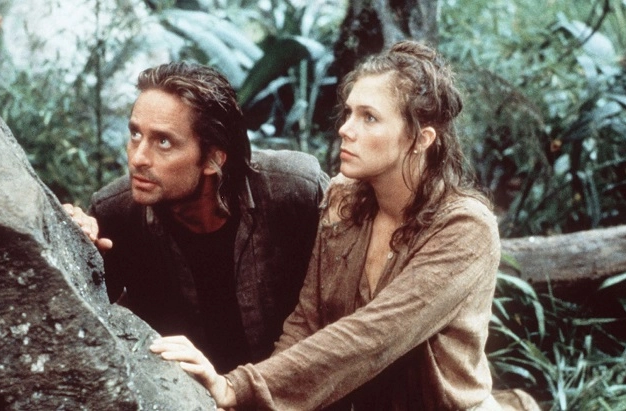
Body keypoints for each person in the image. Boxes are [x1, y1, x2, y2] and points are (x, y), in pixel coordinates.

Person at [149, 41, 541, 410]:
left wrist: (239, 386)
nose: (346, 129)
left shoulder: (465, 226)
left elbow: (377, 334)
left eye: (369, 117)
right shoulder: (344, 200)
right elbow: (307, 321)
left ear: (421, 139)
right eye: (349, 112)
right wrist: (256, 399)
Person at [64, 61, 329, 374]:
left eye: (163, 142)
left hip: (298, 385)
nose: (138, 158)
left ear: (213, 159)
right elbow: (74, 330)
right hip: (185, 393)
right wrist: (71, 248)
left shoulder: (295, 191)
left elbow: (348, 305)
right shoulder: (116, 214)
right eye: (135, 134)